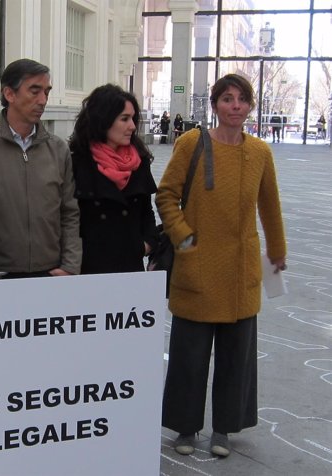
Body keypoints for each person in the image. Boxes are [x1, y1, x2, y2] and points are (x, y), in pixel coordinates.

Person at [156, 73, 286, 458]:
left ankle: (224, 429)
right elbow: (166, 195)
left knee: (236, 357)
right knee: (189, 356)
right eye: (227, 99)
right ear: (214, 105)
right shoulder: (192, 143)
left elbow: (270, 206)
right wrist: (184, 237)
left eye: (242, 100)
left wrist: (277, 250)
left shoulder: (261, 151)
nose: (235, 106)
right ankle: (185, 427)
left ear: (249, 107)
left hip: (241, 268)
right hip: (197, 263)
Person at [0, 58, 82, 278]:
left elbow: (70, 212)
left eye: (46, 92)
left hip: (51, 273)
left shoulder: (58, 150)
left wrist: (70, 266)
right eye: (34, 91)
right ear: (10, 94)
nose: (43, 100)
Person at [68, 84, 159, 274]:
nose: (132, 126)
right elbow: (67, 217)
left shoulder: (139, 160)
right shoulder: (77, 162)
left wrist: (146, 244)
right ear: (104, 120)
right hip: (89, 269)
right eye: (124, 119)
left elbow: (146, 211)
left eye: (133, 119)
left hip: (129, 266)